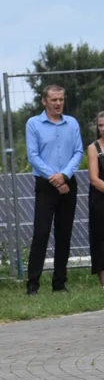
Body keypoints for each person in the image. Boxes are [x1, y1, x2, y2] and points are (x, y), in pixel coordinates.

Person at [25, 85, 84, 295]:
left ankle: (59, 282)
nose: (58, 103)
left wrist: (65, 175)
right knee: (41, 233)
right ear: (44, 101)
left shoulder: (72, 123)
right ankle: (33, 283)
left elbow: (78, 152)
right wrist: (55, 178)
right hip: (45, 183)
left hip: (68, 182)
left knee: (64, 233)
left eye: (61, 99)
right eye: (54, 100)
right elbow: (33, 155)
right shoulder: (33, 124)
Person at [88, 111, 104, 287]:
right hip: (100, 200)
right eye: (100, 125)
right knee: (101, 242)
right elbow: (94, 179)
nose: (103, 128)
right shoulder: (94, 148)